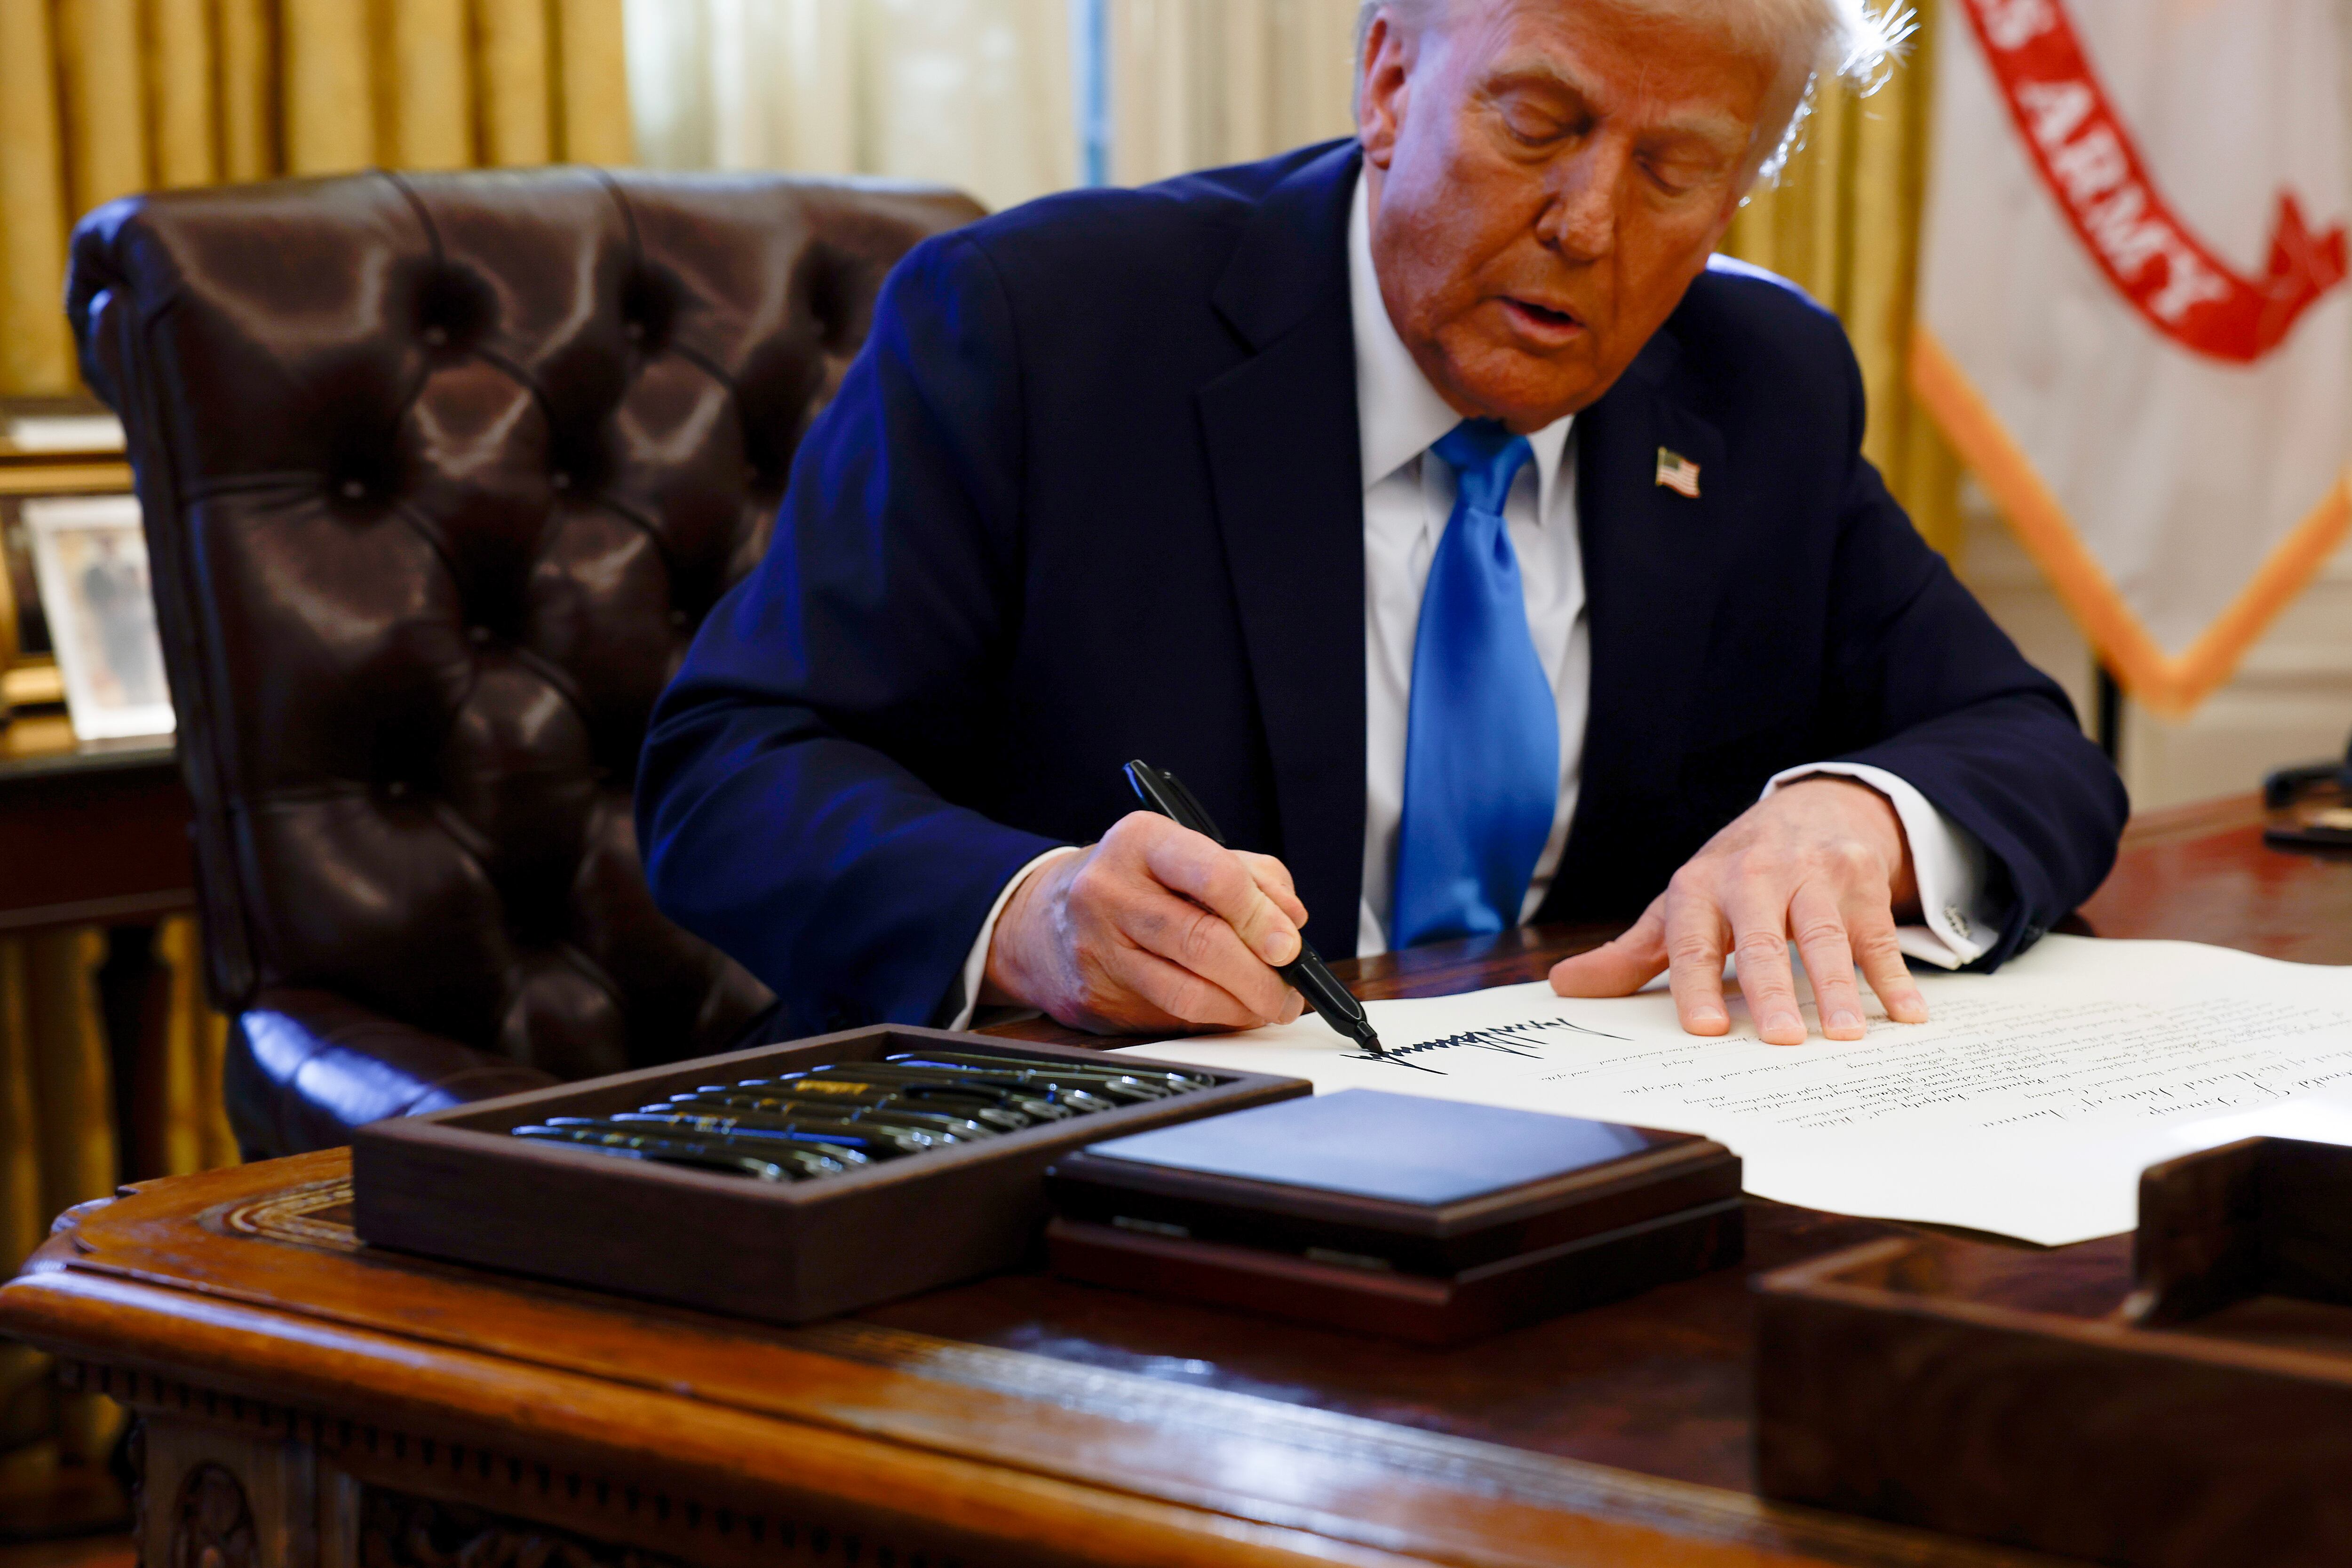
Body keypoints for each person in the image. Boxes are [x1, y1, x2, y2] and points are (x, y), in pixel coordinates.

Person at [639, 0, 2128, 1050]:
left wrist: (1853, 816)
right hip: (1075, 1178)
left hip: (1563, 1190)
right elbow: (731, 771)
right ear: (1389, 84)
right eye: (1538, 122)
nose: (1590, 223)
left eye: (1675, 171)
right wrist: (1031, 917)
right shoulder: (1043, 328)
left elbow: (2024, 741)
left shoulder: (1759, 386)